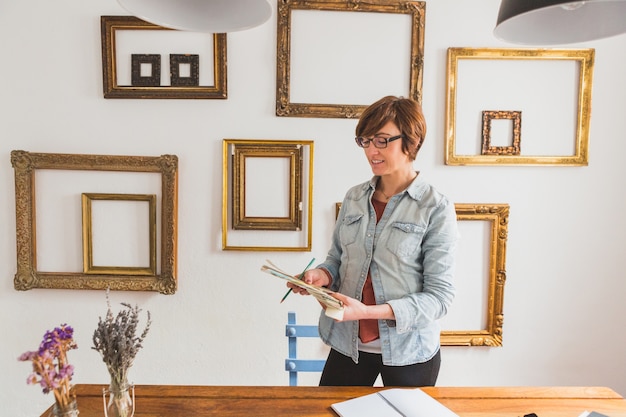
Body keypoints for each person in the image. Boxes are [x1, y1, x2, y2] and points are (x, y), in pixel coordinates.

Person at [287, 95, 459, 387]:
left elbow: (439, 298)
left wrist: (367, 312)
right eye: (365, 141)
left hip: (410, 352)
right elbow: (337, 260)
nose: (371, 151)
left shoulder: (435, 207)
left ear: (411, 141)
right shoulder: (355, 197)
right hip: (347, 345)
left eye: (382, 140)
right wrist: (320, 275)